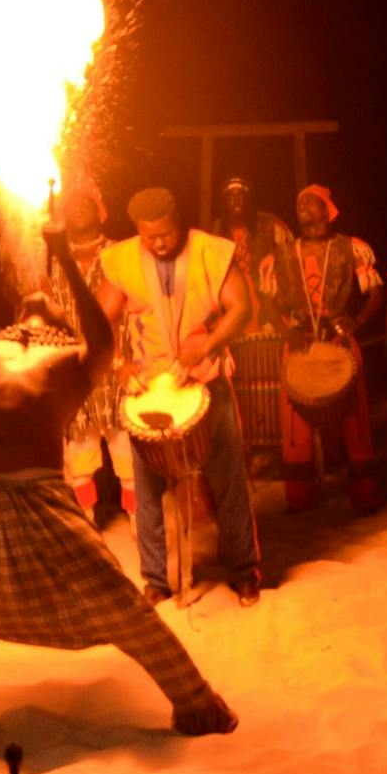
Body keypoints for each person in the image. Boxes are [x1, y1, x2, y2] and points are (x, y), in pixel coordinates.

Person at [0, 209, 238, 735]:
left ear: (61, 323)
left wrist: (64, 259)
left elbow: (103, 341)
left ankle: (196, 700)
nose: (37, 298)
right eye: (30, 300)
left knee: (122, 606)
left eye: (51, 301)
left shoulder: (72, 362)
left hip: (41, 496)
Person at [96, 188, 262, 607]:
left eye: (166, 234)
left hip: (204, 379)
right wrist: (119, 365)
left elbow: (241, 309)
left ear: (179, 222)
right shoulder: (122, 258)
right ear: (138, 232)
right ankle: (155, 579)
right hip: (150, 386)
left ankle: (244, 571)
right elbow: (98, 321)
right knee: (147, 488)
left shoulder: (210, 251)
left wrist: (206, 348)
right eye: (149, 237)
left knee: (227, 477)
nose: (159, 243)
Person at [276, 184, 386, 512]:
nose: (303, 208)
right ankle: (300, 498)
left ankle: (364, 494)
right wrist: (286, 330)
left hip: (339, 339)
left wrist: (357, 321)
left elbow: (376, 293)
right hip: (299, 342)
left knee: (355, 418)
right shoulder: (282, 253)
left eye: (311, 202)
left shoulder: (351, 248)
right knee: (294, 423)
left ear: (328, 210)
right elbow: (268, 302)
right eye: (299, 203)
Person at [46, 181, 134, 520]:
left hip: (116, 365)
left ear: (102, 211)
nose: (78, 208)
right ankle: (85, 529)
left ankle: (142, 533)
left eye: (87, 203)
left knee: (127, 457)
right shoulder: (52, 260)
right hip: (74, 371)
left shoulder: (120, 252)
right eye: (72, 205)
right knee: (78, 461)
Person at [212, 175, 292, 330]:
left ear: (249, 199)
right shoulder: (215, 230)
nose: (236, 200)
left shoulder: (269, 224)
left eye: (241, 196)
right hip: (231, 304)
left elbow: (292, 255)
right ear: (224, 202)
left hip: (267, 304)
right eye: (231, 196)